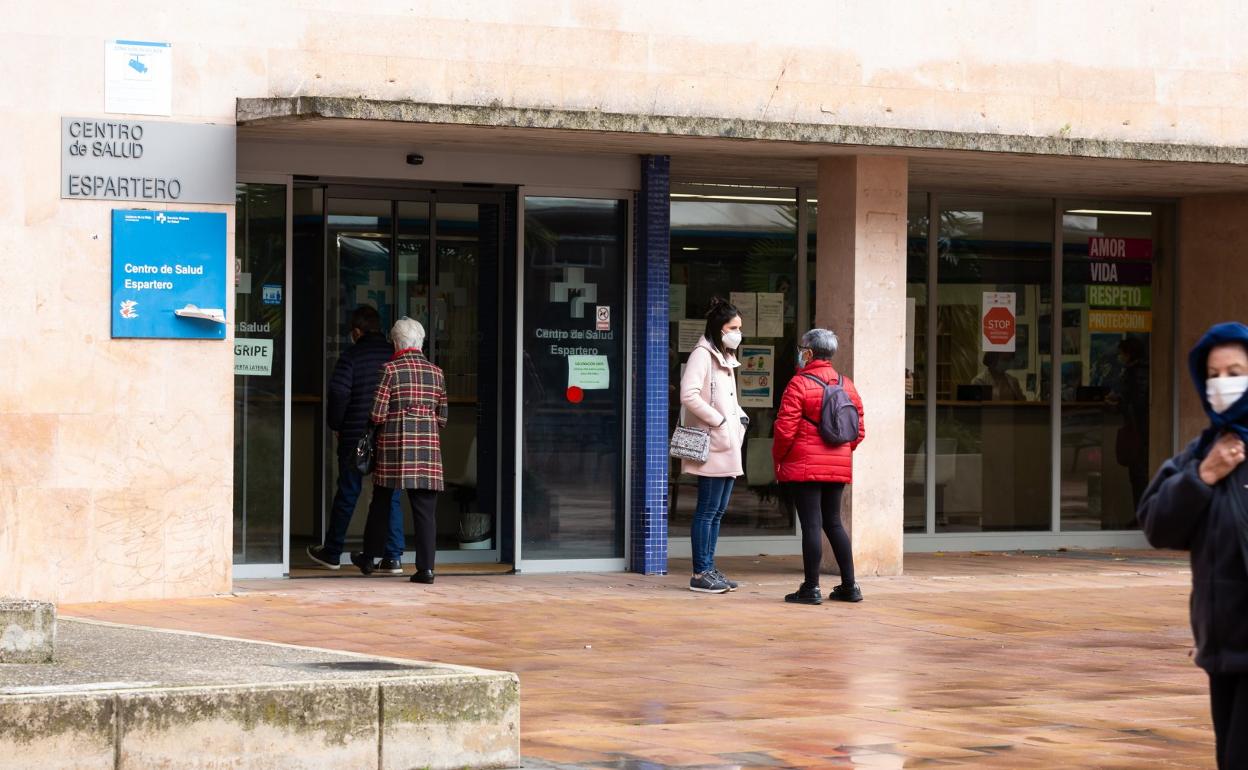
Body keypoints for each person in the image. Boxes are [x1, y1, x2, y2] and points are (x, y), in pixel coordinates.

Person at [1137, 322, 1248, 769]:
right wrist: (1203, 477)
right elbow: (1157, 525)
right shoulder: (1200, 454)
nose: (1223, 384)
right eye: (1214, 374)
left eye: (1235, 371)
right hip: (1222, 647)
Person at [306, 305, 404, 575]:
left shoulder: (351, 356)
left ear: (357, 331)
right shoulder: (394, 356)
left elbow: (338, 392)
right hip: (389, 436)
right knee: (389, 495)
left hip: (355, 436)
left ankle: (333, 551)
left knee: (348, 492)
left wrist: (336, 425)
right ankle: (393, 556)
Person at [772, 328, 866, 605]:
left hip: (804, 465)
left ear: (809, 353)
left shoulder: (798, 384)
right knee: (834, 522)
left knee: (812, 524)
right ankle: (850, 586)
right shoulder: (846, 384)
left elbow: (785, 430)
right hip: (837, 466)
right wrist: (839, 452)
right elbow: (858, 430)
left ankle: (811, 588)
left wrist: (779, 459)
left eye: (802, 349)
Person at [364, 317, 448, 584]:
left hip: (394, 448)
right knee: (425, 510)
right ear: (420, 342)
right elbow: (443, 417)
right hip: (427, 450)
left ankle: (369, 557)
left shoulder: (389, 370)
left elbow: (377, 414)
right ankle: (426, 569)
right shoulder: (437, 372)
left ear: (397, 343)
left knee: (382, 501)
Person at [679, 298, 747, 594]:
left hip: (727, 443)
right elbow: (688, 394)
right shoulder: (702, 355)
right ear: (720, 328)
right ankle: (700, 572)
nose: (738, 333)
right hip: (713, 443)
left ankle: (709, 567)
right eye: (734, 327)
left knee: (717, 511)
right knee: (707, 510)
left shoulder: (724, 356)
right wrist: (719, 422)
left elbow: (729, 400)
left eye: (739, 328)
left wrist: (740, 420)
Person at [1113, 336, 1150, 510]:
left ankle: (1141, 515)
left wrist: (1119, 403)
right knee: (1139, 474)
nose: (1120, 357)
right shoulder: (1141, 370)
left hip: (1137, 429)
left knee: (1138, 475)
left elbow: (1137, 401)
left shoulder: (1135, 372)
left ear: (1129, 353)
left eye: (1121, 353)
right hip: (1140, 428)